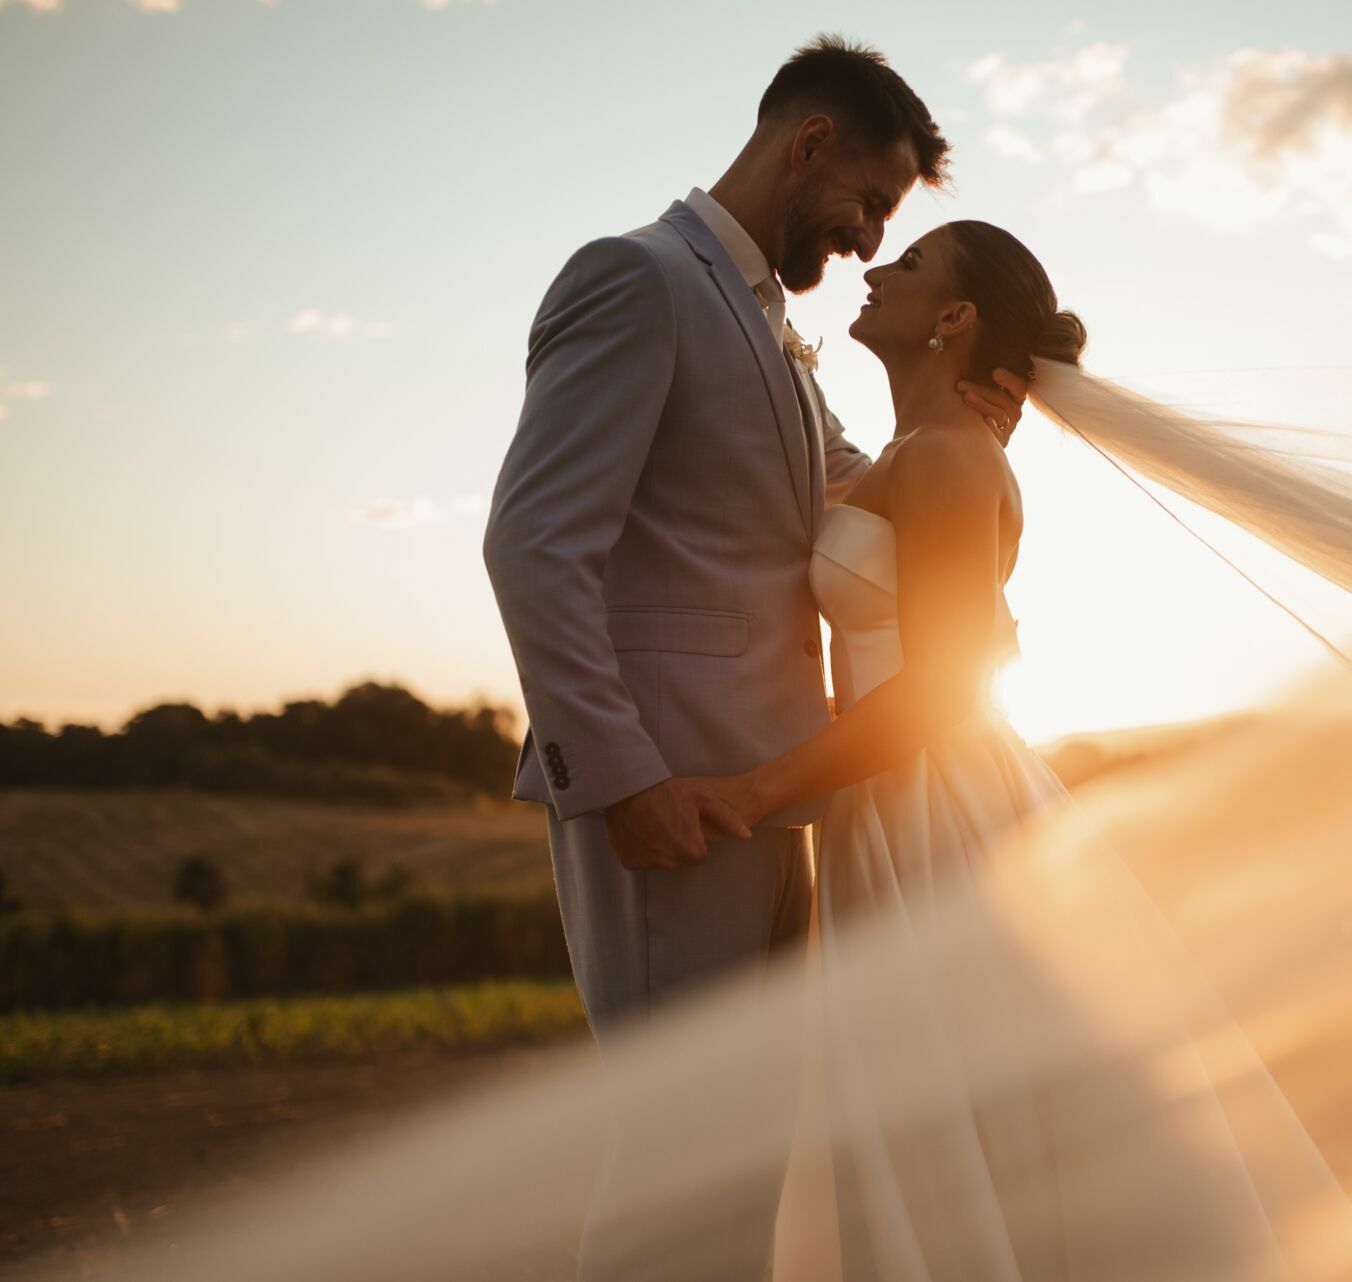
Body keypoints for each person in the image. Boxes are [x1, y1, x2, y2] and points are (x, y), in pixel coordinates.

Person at [481, 36, 1026, 1282]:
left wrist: (972, 471)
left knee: (750, 1169)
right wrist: (617, 775)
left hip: (785, 799)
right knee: (681, 1166)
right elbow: (534, 544)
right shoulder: (637, 280)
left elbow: (848, 495)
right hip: (671, 799)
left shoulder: (769, 322)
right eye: (871, 204)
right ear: (810, 144)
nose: (869, 242)